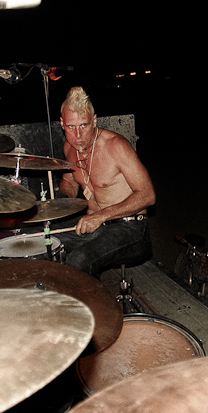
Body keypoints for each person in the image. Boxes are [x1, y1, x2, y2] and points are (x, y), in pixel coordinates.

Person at [53, 86, 155, 276]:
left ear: (94, 121)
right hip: (95, 225)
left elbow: (148, 195)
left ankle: (91, 305)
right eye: (71, 127)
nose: (78, 135)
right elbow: (70, 181)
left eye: (84, 125)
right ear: (61, 124)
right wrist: (60, 203)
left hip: (130, 227)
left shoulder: (116, 146)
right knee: (44, 239)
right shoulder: (69, 147)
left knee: (80, 259)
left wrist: (101, 216)